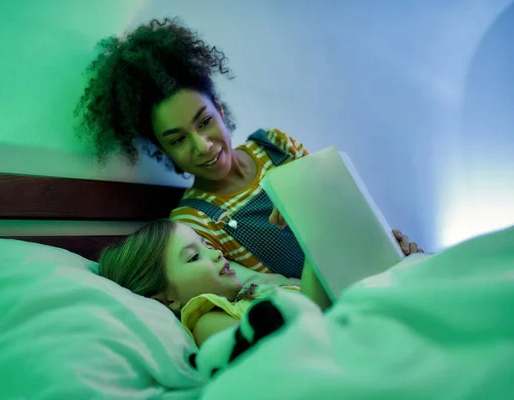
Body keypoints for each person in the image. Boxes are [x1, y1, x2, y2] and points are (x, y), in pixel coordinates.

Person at [77, 17, 423, 279]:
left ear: (221, 111)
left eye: (204, 121)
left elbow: (346, 219)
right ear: (162, 150)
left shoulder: (274, 144)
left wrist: (386, 242)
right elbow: (251, 291)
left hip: (379, 271)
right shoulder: (193, 221)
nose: (203, 145)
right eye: (178, 139)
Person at [98, 218, 331, 347]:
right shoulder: (205, 321)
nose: (216, 253)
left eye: (206, 245)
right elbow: (289, 347)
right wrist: (315, 254)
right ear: (168, 299)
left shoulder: (246, 298)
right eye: (194, 257)